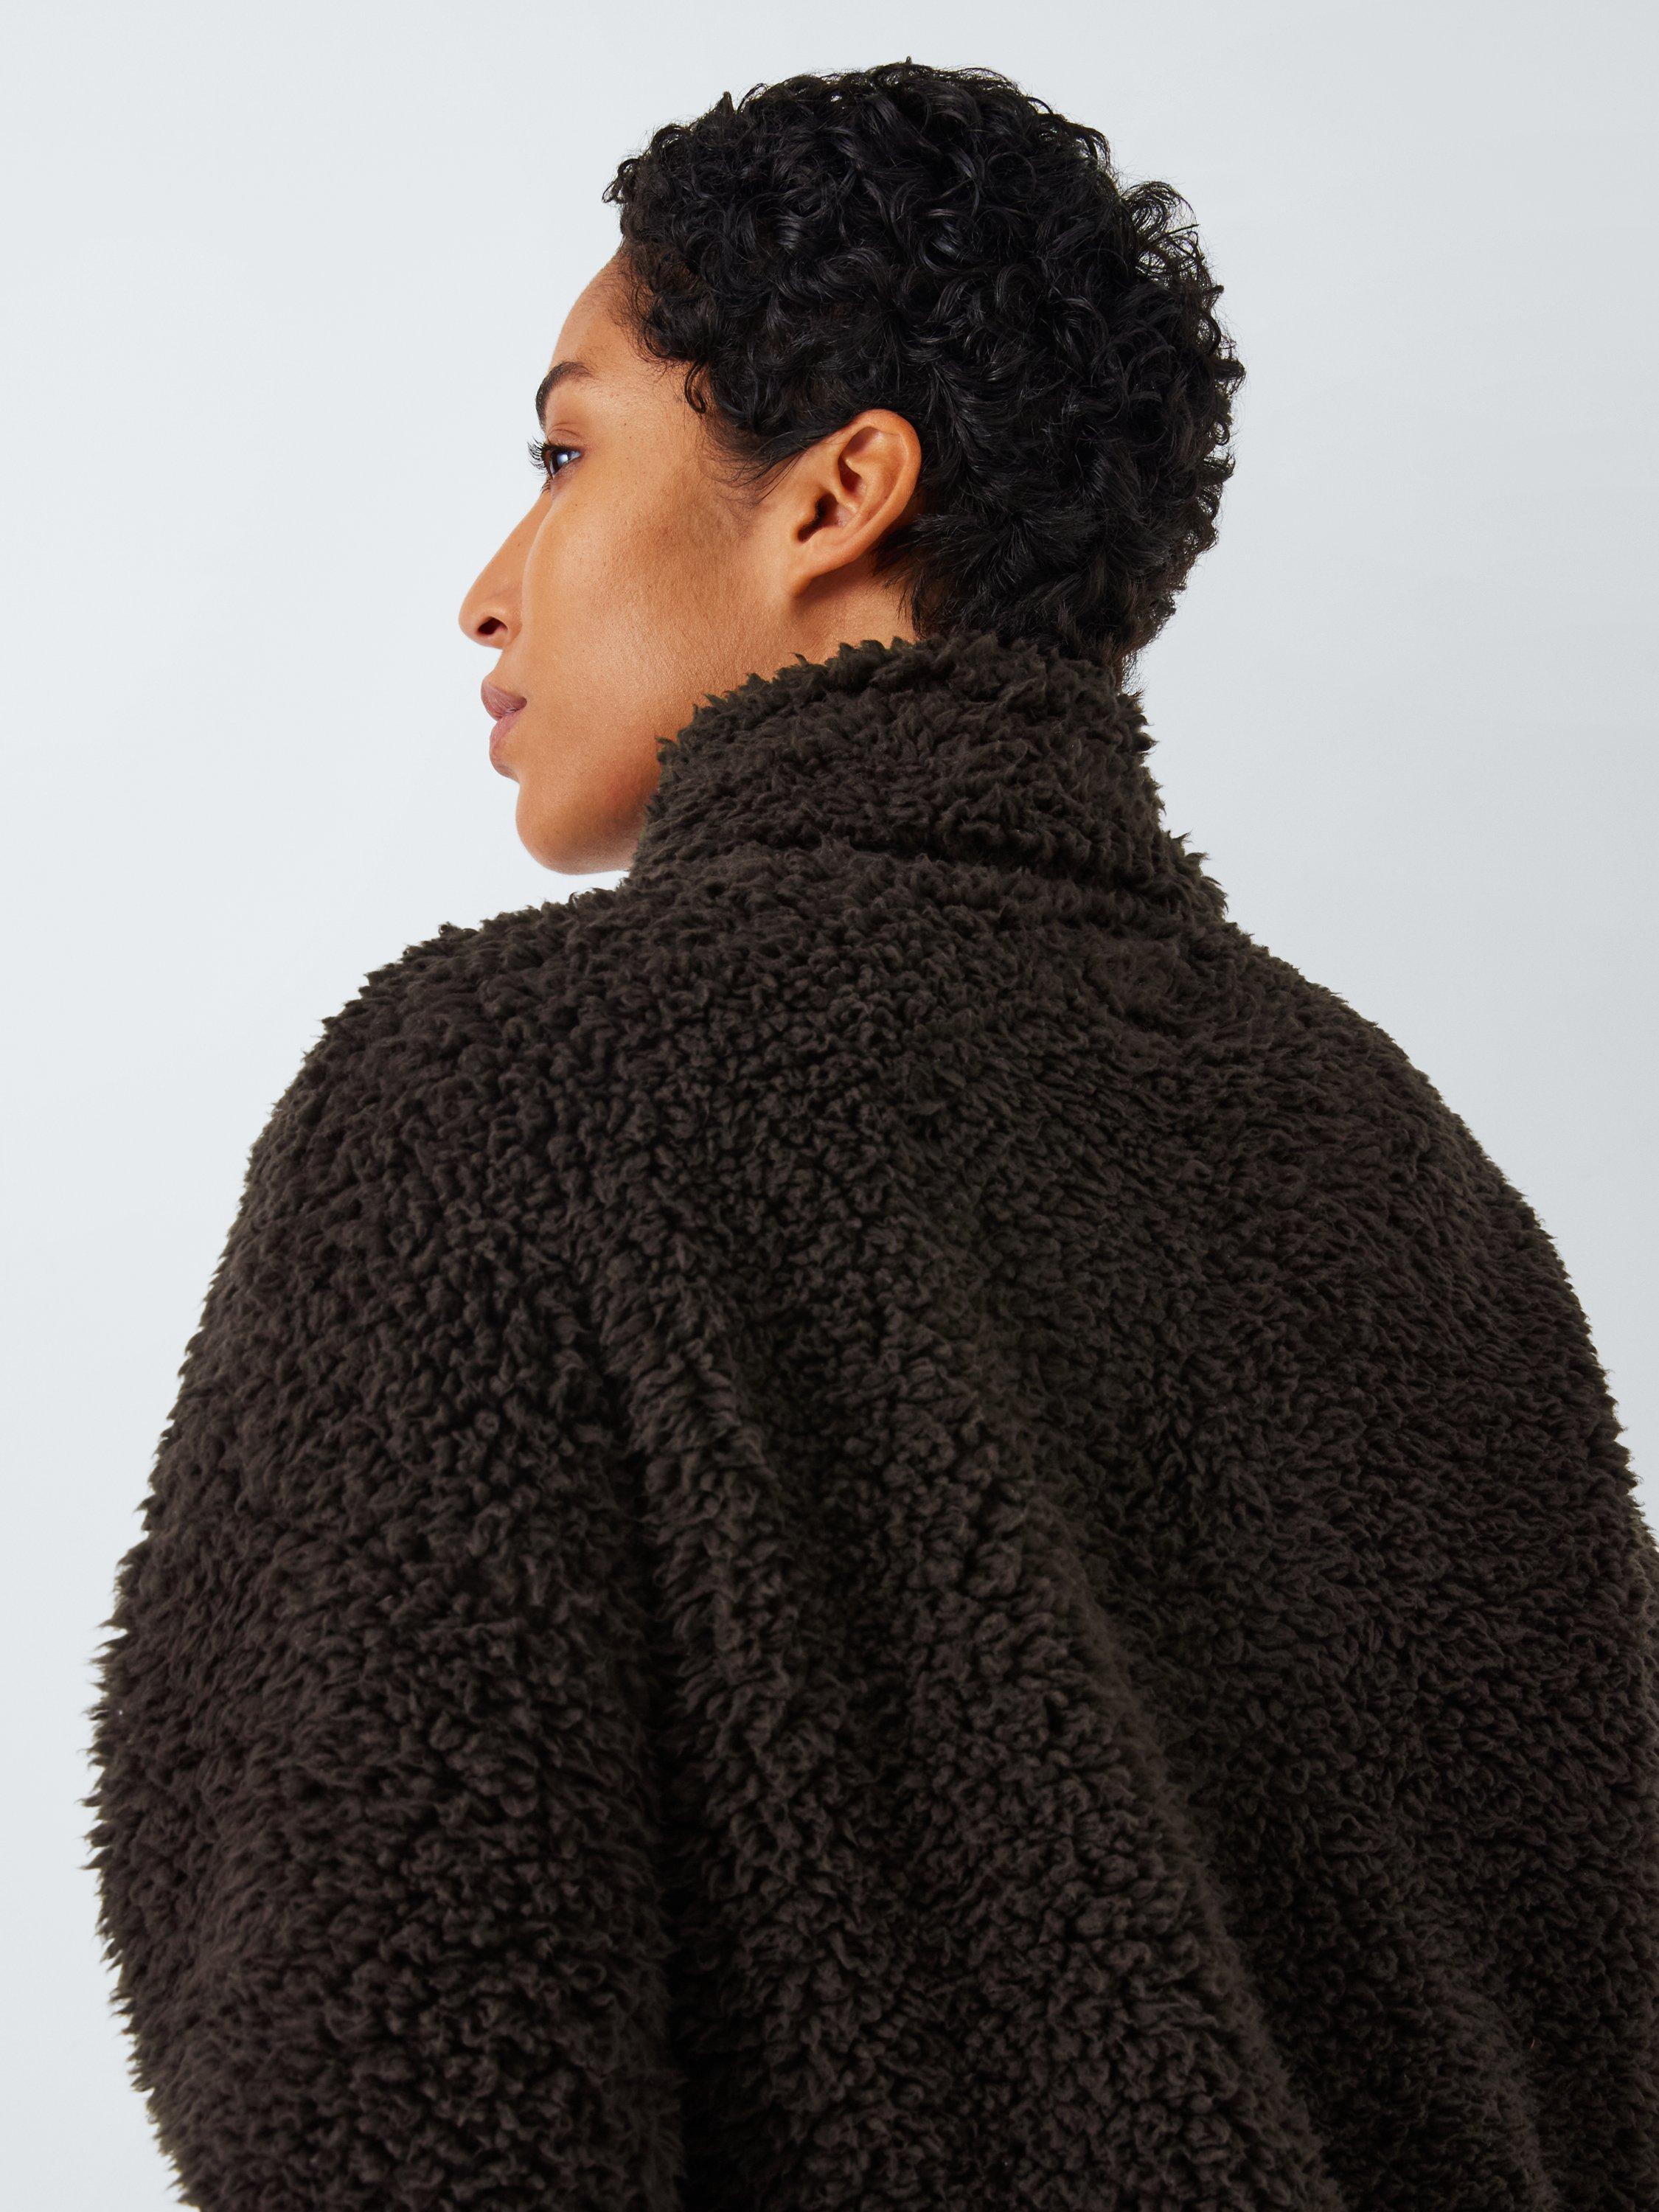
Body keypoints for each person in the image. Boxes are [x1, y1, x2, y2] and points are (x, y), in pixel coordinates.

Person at [86, 60, 1658, 2212]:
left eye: (565, 454)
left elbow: (386, 2064)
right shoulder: (1416, 1185)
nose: (490, 589)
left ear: (837, 494)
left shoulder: (505, 1094)